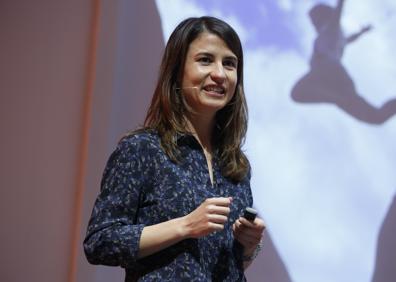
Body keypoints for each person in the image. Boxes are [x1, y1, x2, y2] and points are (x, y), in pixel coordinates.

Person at [84, 16, 265, 281]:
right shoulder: (143, 149)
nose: (219, 73)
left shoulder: (235, 165)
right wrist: (185, 226)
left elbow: (221, 266)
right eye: (205, 60)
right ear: (177, 69)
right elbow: (100, 242)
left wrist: (247, 247)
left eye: (229, 63)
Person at [291, 0, 396, 124]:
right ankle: (342, 99)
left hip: (326, 69)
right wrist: (362, 32)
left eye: (315, 21)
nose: (314, 25)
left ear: (323, 18)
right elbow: (349, 39)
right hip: (340, 78)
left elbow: (337, 13)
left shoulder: (331, 27)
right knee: (375, 118)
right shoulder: (337, 36)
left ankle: (339, 99)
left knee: (298, 93)